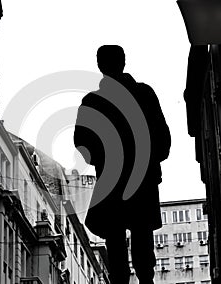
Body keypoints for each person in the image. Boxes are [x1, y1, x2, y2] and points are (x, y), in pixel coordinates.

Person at [74, 45, 171, 284]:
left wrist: (103, 161)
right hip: (141, 179)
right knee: (140, 236)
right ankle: (144, 280)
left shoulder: (93, 101)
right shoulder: (143, 94)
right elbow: (163, 137)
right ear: (123, 62)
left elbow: (82, 142)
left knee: (117, 239)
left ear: (100, 66)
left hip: (114, 179)